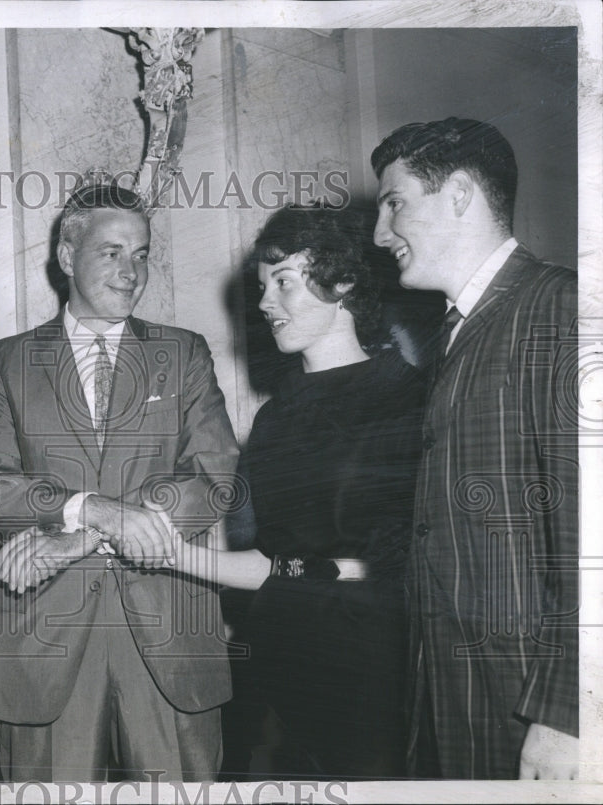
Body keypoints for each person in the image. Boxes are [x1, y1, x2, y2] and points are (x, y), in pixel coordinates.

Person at [0, 179, 240, 782]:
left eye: (140, 254)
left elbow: (213, 475)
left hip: (169, 639)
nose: (131, 271)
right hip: (43, 643)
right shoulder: (4, 364)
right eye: (111, 252)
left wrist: (83, 534)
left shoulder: (184, 353)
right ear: (67, 256)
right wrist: (94, 510)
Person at [174, 205, 425, 779]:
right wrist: (171, 554)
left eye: (283, 282)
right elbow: (272, 562)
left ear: (343, 285)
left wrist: (318, 572)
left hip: (373, 667)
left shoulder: (411, 399)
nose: (264, 304)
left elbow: (410, 557)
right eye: (263, 287)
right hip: (276, 662)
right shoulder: (275, 419)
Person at [371, 117, 579, 779]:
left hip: (526, 707)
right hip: (452, 701)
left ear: (459, 194)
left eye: (394, 202)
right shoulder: (456, 333)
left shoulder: (558, 306)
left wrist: (567, 715)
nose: (380, 233)